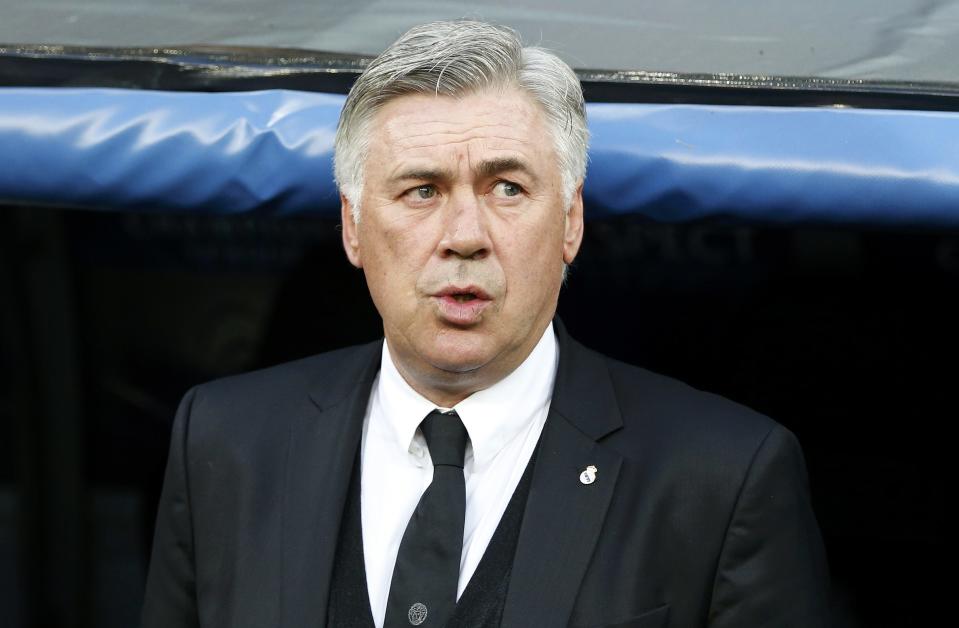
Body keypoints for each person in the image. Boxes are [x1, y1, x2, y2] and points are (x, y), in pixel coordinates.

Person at [142, 20, 830, 628]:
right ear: (352, 228)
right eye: (421, 190)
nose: (464, 235)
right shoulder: (226, 440)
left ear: (570, 221)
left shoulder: (721, 474)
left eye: (508, 187)